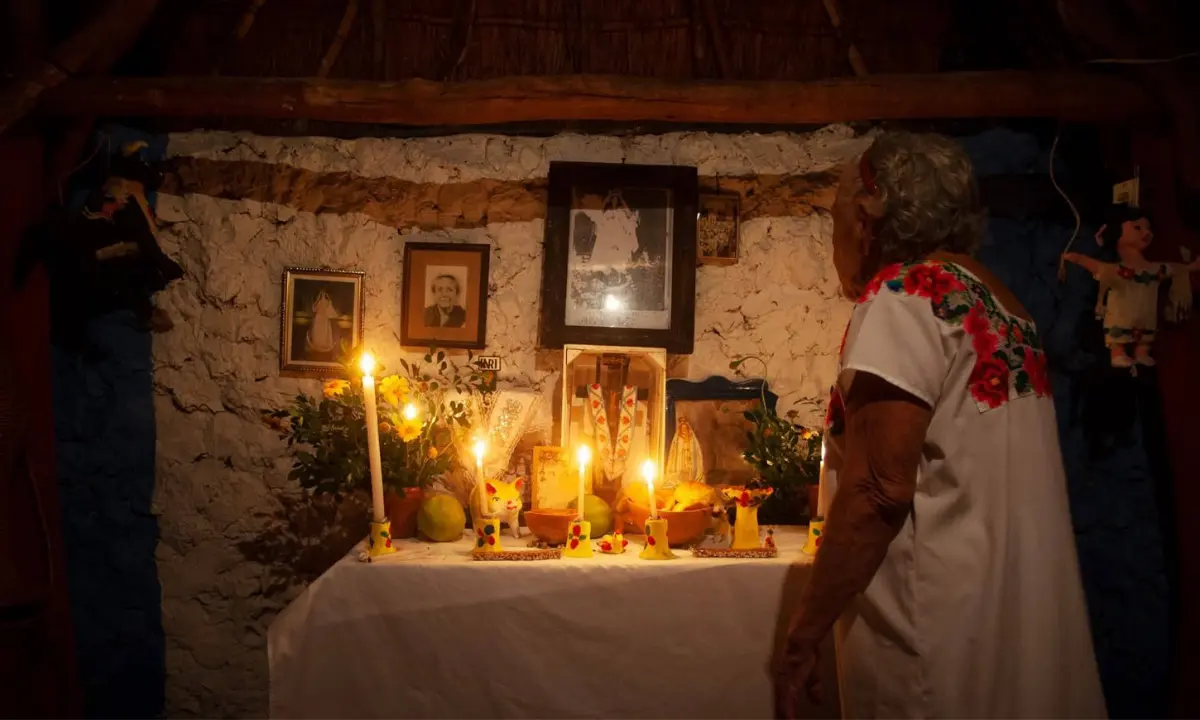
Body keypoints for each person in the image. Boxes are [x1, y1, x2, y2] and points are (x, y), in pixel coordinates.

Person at [775, 131, 1106, 718]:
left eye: (833, 221)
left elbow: (878, 490)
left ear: (865, 218)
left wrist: (803, 634)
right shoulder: (1003, 306)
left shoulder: (902, 297)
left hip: (933, 636)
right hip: (1008, 621)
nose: (834, 242)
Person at [306, 289, 339, 354]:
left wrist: (329, 301)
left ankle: (323, 343)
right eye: (322, 295)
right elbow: (314, 309)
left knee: (324, 332)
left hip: (324, 320)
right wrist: (318, 299)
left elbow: (330, 310)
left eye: (324, 295)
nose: (323, 296)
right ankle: (318, 343)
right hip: (319, 319)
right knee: (318, 331)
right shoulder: (319, 302)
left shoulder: (327, 302)